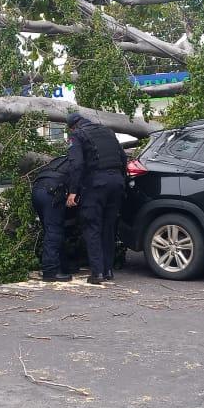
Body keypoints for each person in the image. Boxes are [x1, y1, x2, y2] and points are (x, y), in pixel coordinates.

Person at [65, 111, 127, 284]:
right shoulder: (108, 131)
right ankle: (108, 271)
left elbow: (77, 164)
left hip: (96, 185)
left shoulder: (77, 135)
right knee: (109, 228)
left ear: (72, 127)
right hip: (117, 183)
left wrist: (73, 191)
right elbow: (123, 158)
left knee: (92, 227)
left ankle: (97, 273)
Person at [30, 155, 73, 282]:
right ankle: (50, 271)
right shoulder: (79, 162)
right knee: (54, 232)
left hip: (37, 190)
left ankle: (62, 266)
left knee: (50, 231)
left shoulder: (60, 160)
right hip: (52, 192)